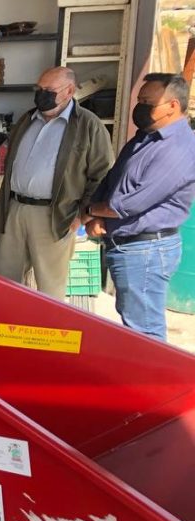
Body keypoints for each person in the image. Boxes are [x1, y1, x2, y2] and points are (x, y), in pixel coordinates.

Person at [84, 73, 195, 341]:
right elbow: (112, 179)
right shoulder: (145, 138)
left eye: (148, 101)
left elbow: (130, 203)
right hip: (128, 244)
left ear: (172, 106)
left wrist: (91, 212)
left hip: (146, 250)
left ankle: (153, 382)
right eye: (140, 100)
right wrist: (100, 216)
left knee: (145, 331)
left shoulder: (179, 147)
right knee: (132, 320)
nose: (140, 106)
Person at [0, 67, 113, 300]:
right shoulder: (27, 120)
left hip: (55, 215)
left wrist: (82, 216)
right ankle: (4, 329)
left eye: (49, 90)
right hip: (15, 209)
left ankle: (46, 334)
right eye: (39, 89)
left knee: (50, 287)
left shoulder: (88, 125)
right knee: (4, 281)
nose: (41, 95)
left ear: (69, 91)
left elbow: (102, 175)